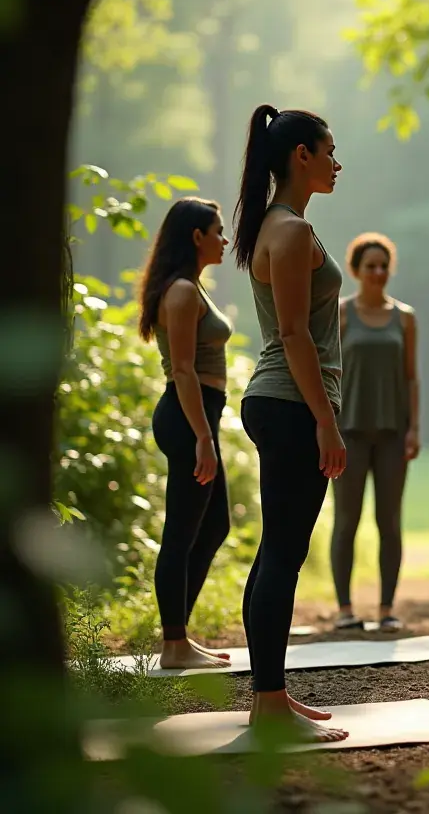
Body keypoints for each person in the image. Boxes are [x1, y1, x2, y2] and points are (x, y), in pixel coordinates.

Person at [233, 103, 348, 742]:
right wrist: (326, 422)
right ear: (300, 155)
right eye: (328, 151)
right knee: (283, 553)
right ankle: (270, 703)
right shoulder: (294, 233)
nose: (337, 163)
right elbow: (295, 333)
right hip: (291, 402)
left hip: (271, 400)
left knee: (274, 552)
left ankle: (269, 698)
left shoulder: (271, 226)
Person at [139, 197, 234, 670]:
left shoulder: (191, 287)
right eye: (217, 230)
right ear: (196, 236)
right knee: (180, 532)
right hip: (186, 418)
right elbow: (181, 369)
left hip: (199, 417)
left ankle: (179, 635)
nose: (224, 238)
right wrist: (202, 437)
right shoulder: (179, 291)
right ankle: (174, 644)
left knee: (215, 524)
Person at [330, 233, 420, 632]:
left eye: (384, 266)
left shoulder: (406, 317)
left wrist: (414, 428)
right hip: (348, 430)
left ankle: (386, 608)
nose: (379, 273)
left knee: (390, 521)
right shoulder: (340, 314)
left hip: (392, 433)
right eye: (371, 266)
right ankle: (346, 609)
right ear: (356, 271)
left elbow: (411, 378)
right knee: (347, 520)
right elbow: (326, 372)